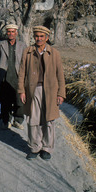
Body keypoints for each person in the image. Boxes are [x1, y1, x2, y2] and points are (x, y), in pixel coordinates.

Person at [18, 26, 66, 160]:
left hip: (50, 91)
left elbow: (60, 75)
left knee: (49, 119)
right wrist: (21, 90)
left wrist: (61, 93)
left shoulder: (54, 53)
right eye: (36, 36)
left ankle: (47, 148)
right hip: (33, 90)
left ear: (47, 38)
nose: (39, 39)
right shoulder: (28, 52)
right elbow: (21, 73)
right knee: (33, 118)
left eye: (41, 36)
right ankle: (34, 147)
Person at [0, 24, 26, 130]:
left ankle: (18, 120)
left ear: (16, 33)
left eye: (13, 32)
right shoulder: (1, 44)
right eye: (9, 32)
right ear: (6, 33)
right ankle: (6, 120)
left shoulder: (22, 45)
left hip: (18, 77)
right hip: (5, 77)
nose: (11, 34)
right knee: (5, 101)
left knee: (19, 101)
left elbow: (25, 62)